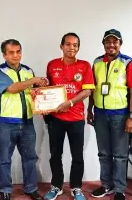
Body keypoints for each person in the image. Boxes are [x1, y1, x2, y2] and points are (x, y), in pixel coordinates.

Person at [87, 29, 132, 200]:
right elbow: (91, 88)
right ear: (103, 44)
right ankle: (106, 185)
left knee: (119, 154)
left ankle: (119, 189)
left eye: (115, 42)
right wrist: (90, 109)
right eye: (108, 42)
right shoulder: (96, 63)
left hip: (120, 115)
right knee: (103, 153)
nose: (111, 45)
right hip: (100, 114)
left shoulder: (128, 63)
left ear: (120, 44)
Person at [0, 39, 47, 200]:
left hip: (27, 122)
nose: (16, 55)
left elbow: (35, 93)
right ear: (4, 55)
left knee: (30, 158)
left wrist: (41, 86)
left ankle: (31, 188)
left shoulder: (28, 71)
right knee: (5, 159)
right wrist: (33, 81)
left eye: (18, 51)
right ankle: (6, 190)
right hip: (6, 123)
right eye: (11, 52)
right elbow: (13, 88)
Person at [44, 33, 95, 200]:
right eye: (68, 44)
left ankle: (76, 188)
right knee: (55, 155)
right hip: (56, 119)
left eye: (75, 45)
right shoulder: (51, 65)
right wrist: (43, 105)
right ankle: (56, 186)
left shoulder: (85, 66)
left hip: (76, 119)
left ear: (78, 48)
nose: (71, 47)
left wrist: (70, 103)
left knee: (77, 156)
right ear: (61, 46)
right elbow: (47, 91)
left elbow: (88, 90)